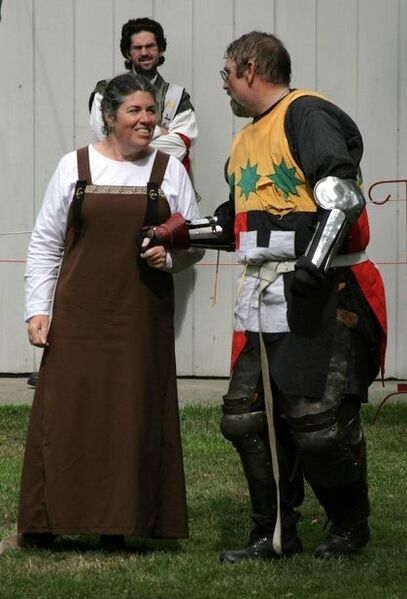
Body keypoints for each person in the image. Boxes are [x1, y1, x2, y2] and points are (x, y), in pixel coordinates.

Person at [0, 73, 203, 554]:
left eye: (151, 111)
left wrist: (169, 257)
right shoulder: (74, 167)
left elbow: (195, 240)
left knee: (131, 414)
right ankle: (41, 525)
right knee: (65, 414)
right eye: (135, 111)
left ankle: (122, 524)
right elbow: (46, 243)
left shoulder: (169, 171)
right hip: (78, 316)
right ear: (110, 117)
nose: (146, 120)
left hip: (140, 319)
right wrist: (37, 309)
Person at [216, 31, 387, 561]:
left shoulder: (306, 113)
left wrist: (314, 265)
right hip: (265, 292)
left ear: (249, 68)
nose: (224, 84)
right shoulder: (245, 140)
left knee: (316, 424)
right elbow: (239, 219)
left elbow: (341, 194)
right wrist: (175, 234)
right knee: (245, 417)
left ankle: (349, 526)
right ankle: (274, 532)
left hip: (324, 290)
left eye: (226, 73)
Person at [89, 17, 198, 173]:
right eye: (137, 48)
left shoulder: (178, 97)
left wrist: (127, 142)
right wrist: (158, 131)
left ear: (160, 49)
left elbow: (179, 147)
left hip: (164, 183)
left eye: (150, 46)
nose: (144, 53)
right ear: (127, 53)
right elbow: (104, 137)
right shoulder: (106, 91)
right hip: (114, 179)